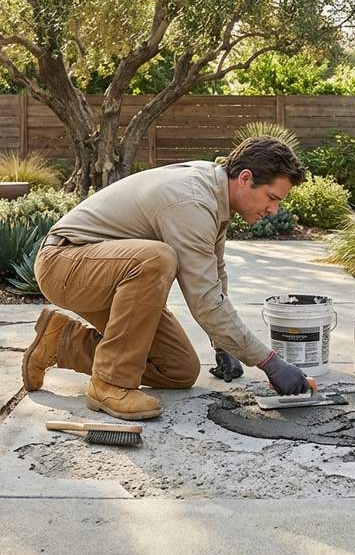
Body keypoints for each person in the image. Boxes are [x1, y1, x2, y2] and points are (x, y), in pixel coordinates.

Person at [21, 137, 312, 421]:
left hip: (109, 275)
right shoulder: (193, 201)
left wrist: (222, 343)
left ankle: (61, 342)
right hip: (64, 264)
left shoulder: (215, 195)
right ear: (246, 178)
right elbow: (205, 300)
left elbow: (214, 276)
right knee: (157, 258)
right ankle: (110, 385)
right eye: (272, 198)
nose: (274, 210)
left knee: (178, 369)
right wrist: (269, 362)